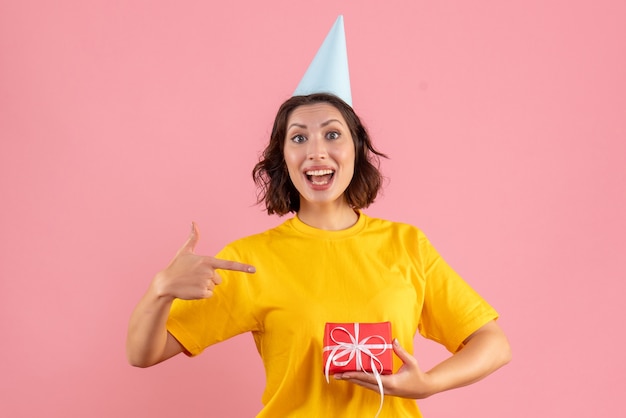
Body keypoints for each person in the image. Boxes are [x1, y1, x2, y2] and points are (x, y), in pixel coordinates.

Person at [126, 91, 511, 417]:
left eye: (332, 134)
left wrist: (427, 385)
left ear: (357, 149)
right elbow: (144, 353)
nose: (316, 152)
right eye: (298, 138)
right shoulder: (250, 258)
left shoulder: (407, 244)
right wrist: (160, 290)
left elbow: (493, 344)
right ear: (282, 157)